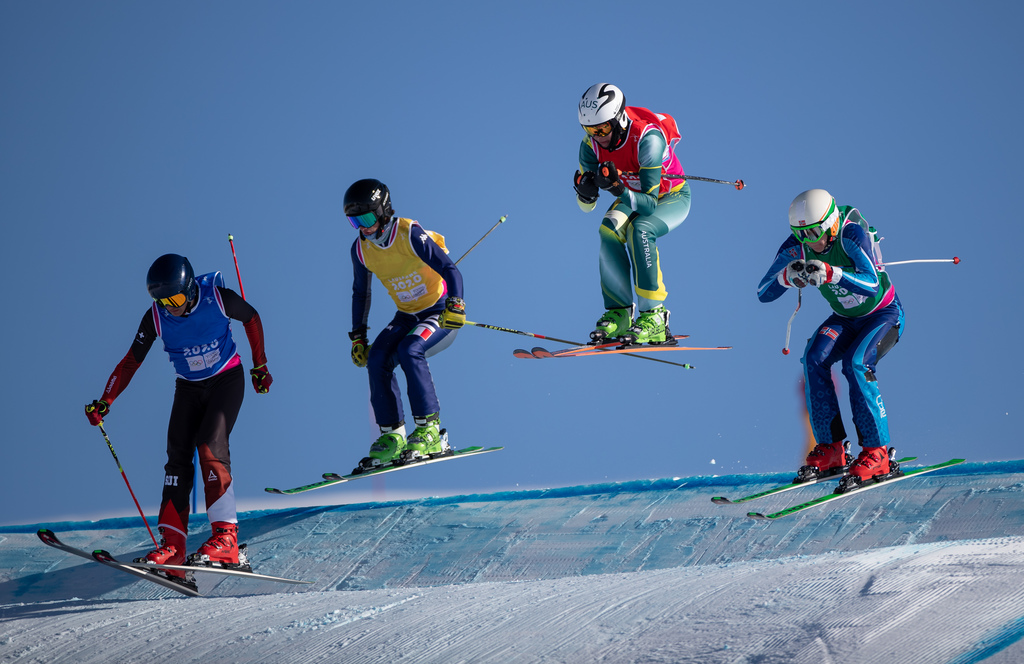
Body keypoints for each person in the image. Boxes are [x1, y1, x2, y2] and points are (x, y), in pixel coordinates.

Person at [84, 253, 272, 578]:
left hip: (226, 380)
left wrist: (260, 366)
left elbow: (252, 318)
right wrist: (106, 400)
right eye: (163, 300)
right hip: (188, 388)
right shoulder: (156, 316)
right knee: (176, 461)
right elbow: (131, 361)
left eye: (177, 297)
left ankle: (226, 538)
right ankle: (174, 547)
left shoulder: (216, 297)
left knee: (210, 447)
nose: (171, 306)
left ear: (190, 288)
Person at [757, 189, 905, 490]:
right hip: (845, 319)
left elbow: (871, 283)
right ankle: (832, 448)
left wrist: (832, 273)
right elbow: (763, 292)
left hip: (883, 315)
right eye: (801, 234)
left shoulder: (851, 235)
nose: (809, 240)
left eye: (814, 232)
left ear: (831, 225)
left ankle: (877, 452)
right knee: (813, 358)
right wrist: (787, 277)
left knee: (856, 364)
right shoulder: (798, 246)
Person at [345, 178, 465, 471]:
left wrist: (456, 304)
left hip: (437, 310)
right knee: (377, 358)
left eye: (366, 218)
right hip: (406, 315)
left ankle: (431, 431)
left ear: (383, 211)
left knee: (411, 349)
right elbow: (361, 292)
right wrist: (358, 337)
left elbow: (449, 268)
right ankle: (393, 436)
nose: (363, 227)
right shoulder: (361, 250)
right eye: (354, 221)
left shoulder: (408, 233)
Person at [573, 82, 692, 345]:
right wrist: (585, 192)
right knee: (608, 230)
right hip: (631, 195)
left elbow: (648, 205)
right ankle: (619, 312)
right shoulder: (590, 146)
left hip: (671, 196)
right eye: (590, 129)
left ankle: (655, 317)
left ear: (619, 119)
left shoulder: (647, 139)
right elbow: (586, 208)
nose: (599, 135)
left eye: (603, 128)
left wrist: (616, 188)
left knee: (641, 230)